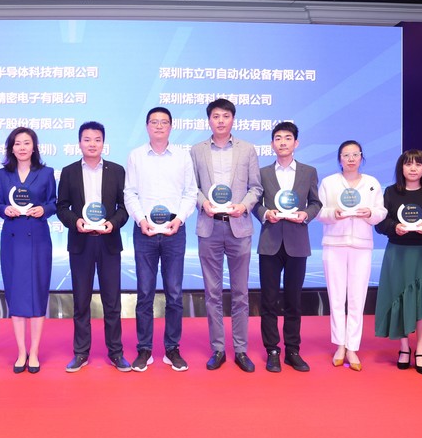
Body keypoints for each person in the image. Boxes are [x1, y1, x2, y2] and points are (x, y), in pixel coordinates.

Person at [123, 107, 198, 372]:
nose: (158, 126)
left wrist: (180, 219)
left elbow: (191, 192)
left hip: (174, 232)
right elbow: (130, 193)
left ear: (170, 127)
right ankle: (144, 349)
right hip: (144, 232)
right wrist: (140, 219)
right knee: (144, 293)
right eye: (154, 122)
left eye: (163, 122)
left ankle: (172, 348)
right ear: (147, 126)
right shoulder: (136, 156)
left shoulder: (182, 156)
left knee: (174, 293)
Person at [191, 98, 263, 372]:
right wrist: (203, 204)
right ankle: (218, 349)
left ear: (233, 119)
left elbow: (256, 188)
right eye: (215, 116)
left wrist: (243, 206)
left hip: (238, 226)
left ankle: (241, 350)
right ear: (209, 120)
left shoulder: (247, 149)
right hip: (209, 226)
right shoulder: (197, 151)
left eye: (225, 116)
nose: (220, 120)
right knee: (212, 293)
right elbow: (192, 188)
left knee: (241, 293)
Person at [56, 121, 131, 372]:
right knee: (81, 301)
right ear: (79, 143)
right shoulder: (69, 172)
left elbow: (124, 208)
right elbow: (61, 207)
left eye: (97, 139)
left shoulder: (117, 171)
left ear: (103, 143)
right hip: (81, 242)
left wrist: (112, 223)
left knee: (112, 302)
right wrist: (75, 222)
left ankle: (116, 352)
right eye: (87, 139)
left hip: (109, 242)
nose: (92, 144)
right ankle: (80, 353)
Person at [252, 122, 322, 372]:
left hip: (297, 242)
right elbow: (254, 203)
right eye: (278, 138)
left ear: (296, 143)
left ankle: (293, 350)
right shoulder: (262, 173)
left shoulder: (308, 171)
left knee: (294, 300)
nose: (283, 142)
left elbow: (316, 203)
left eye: (288, 138)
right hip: (270, 242)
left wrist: (306, 215)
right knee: (269, 300)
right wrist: (265, 213)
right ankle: (272, 350)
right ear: (272, 144)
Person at [374, 150, 422, 375]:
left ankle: (421, 350)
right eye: (408, 164)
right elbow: (380, 223)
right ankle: (404, 348)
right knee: (400, 298)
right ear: (401, 168)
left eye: (418, 164)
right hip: (399, 253)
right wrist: (393, 227)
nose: (413, 168)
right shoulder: (391, 192)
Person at [317, 140, 387, 371]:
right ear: (339, 159)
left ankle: (353, 347)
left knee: (357, 298)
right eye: (346, 155)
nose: (350, 159)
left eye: (355, 154)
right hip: (334, 244)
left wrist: (370, 213)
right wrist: (333, 213)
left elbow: (381, 211)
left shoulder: (371, 183)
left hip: (362, 246)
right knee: (336, 298)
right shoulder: (329, 182)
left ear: (361, 157)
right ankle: (340, 345)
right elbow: (319, 211)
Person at [0, 127, 57, 374]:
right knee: (16, 293)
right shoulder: (3, 174)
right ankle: (21, 351)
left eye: (26, 143)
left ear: (34, 147)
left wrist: (44, 210)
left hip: (38, 239)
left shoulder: (46, 173)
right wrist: (4, 210)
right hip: (12, 239)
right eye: (17, 143)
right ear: (11, 148)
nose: (22, 147)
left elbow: (53, 203)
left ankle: (35, 351)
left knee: (38, 292)